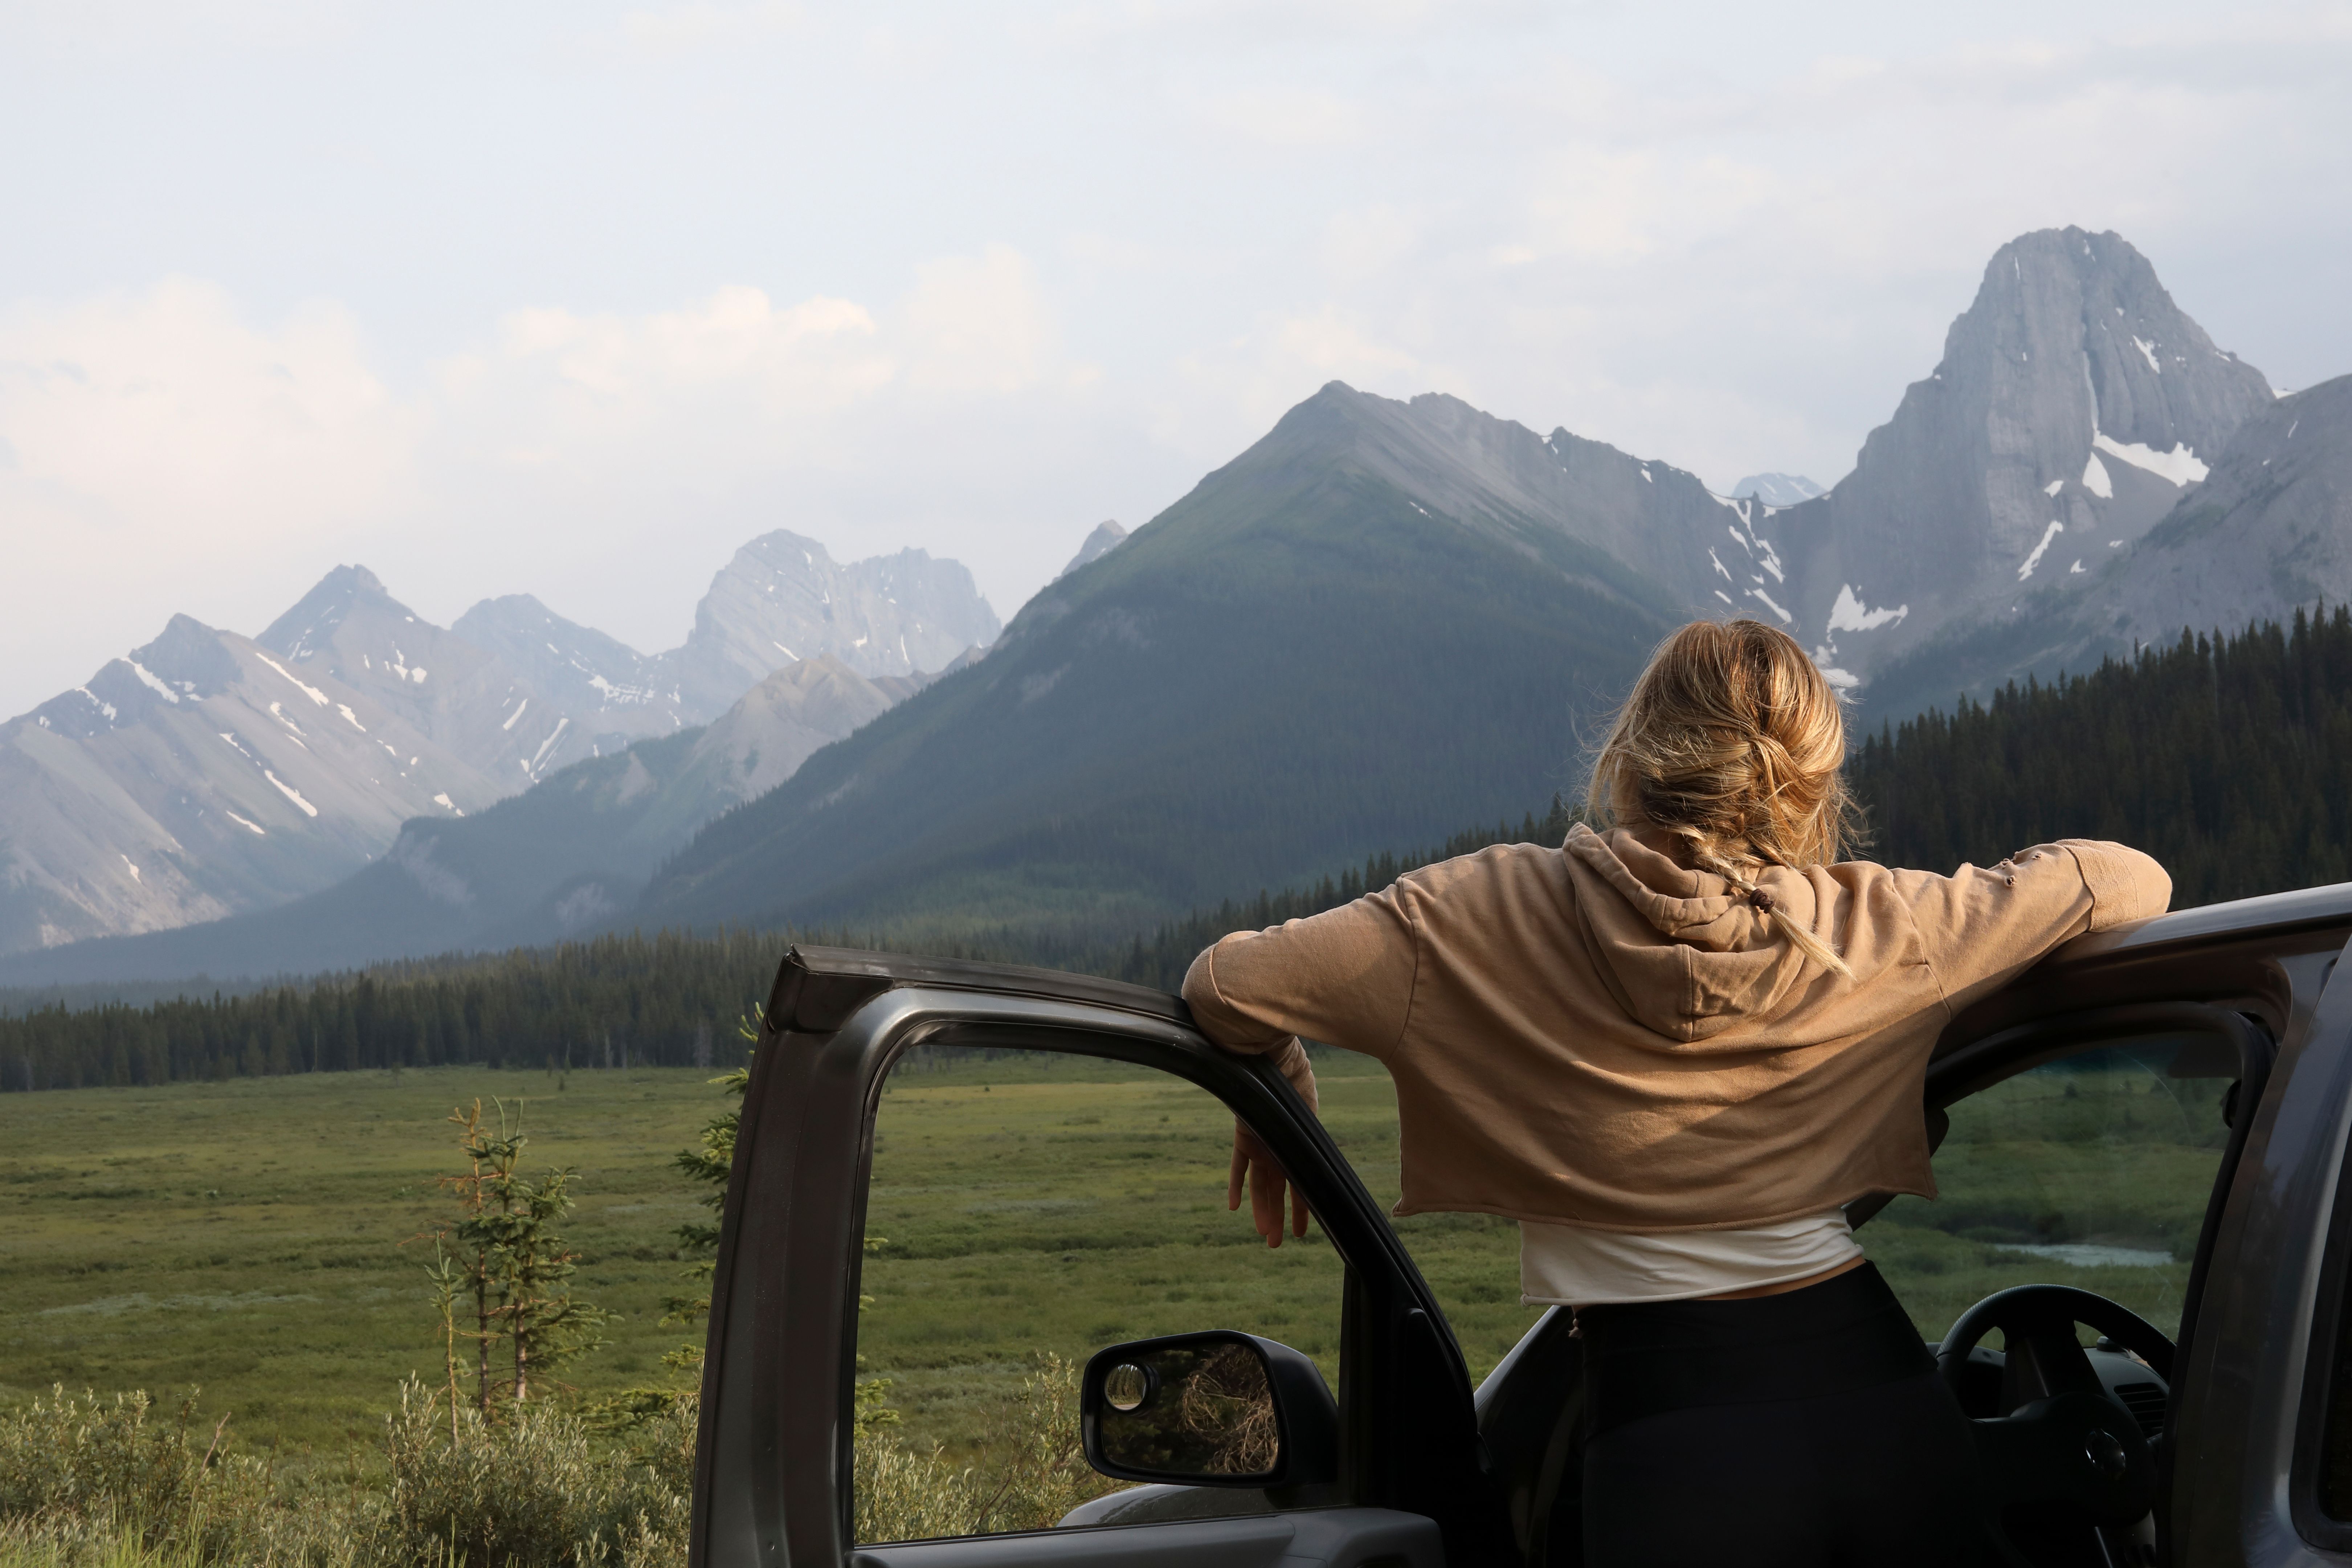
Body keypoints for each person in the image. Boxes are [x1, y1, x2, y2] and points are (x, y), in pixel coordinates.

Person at [1179, 617, 2171, 1568]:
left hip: (1675, 1444)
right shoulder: (1880, 920)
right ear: (1807, 786)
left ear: (1630, 757)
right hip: (1886, 1409)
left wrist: (1282, 1078)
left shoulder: (1473, 913)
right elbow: (2125, 881)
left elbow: (1224, 987)